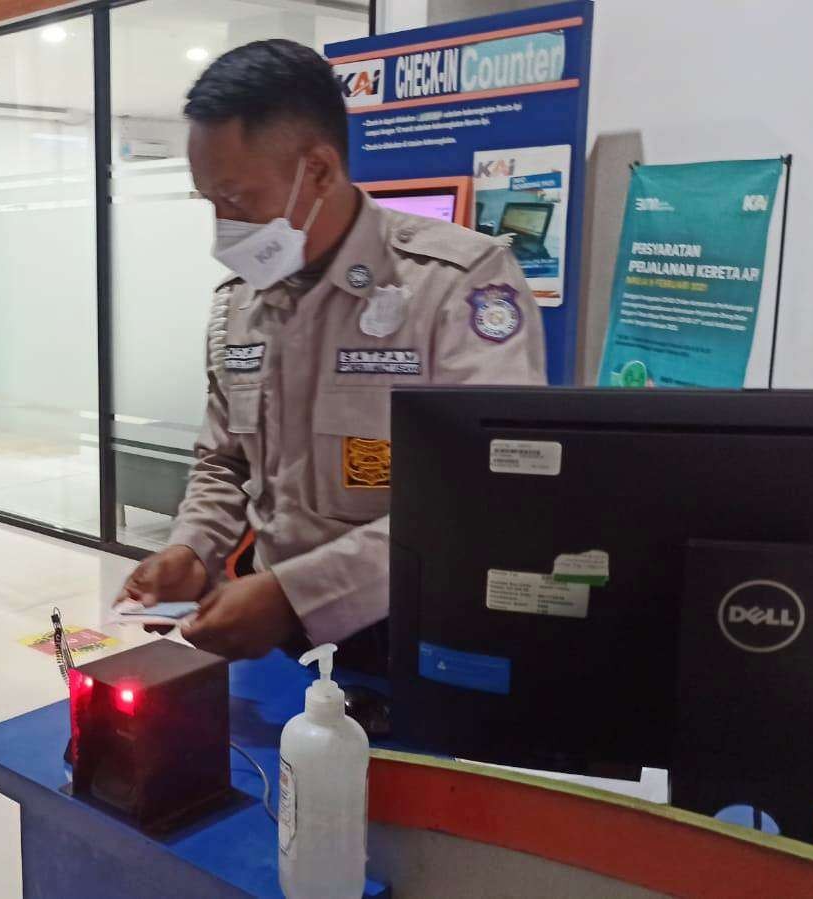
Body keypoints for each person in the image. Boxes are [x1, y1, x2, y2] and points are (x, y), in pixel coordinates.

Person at [118, 39, 546, 661]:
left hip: (416, 628)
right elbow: (224, 462)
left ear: (317, 170)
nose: (223, 230)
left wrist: (299, 596)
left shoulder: (456, 283)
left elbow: (491, 494)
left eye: (237, 201)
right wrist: (190, 549)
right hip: (270, 628)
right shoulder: (240, 302)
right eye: (210, 204)